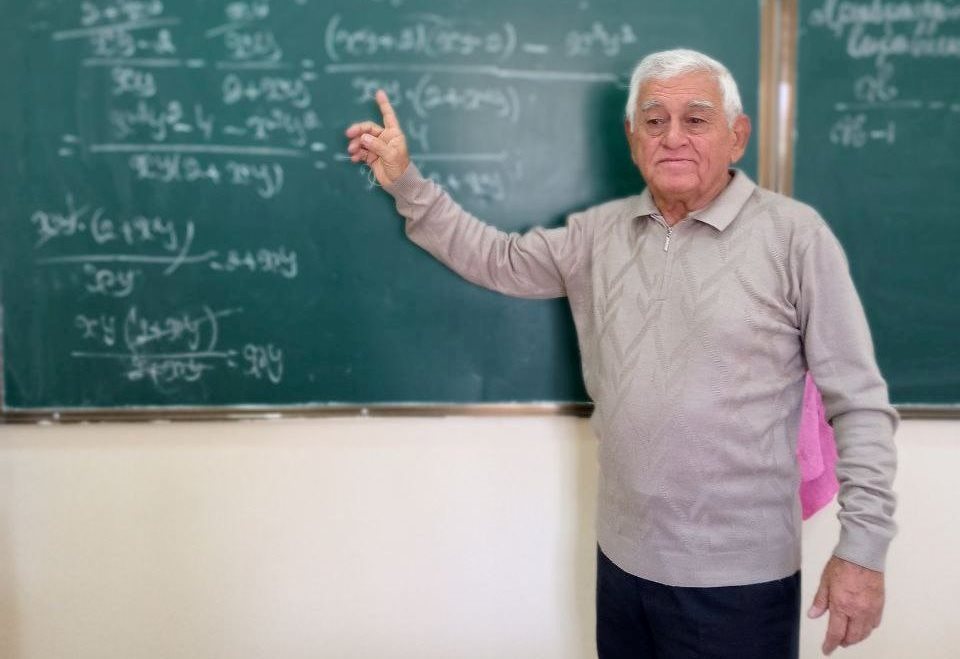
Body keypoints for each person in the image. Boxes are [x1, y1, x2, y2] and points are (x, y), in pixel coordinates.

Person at [345, 49, 897, 658]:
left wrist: (862, 552)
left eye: (696, 119)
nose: (673, 137)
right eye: (655, 121)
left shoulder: (795, 237)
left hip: (741, 580)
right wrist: (407, 183)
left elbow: (859, 403)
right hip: (624, 564)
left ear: (737, 136)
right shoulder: (597, 234)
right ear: (633, 138)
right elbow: (497, 259)